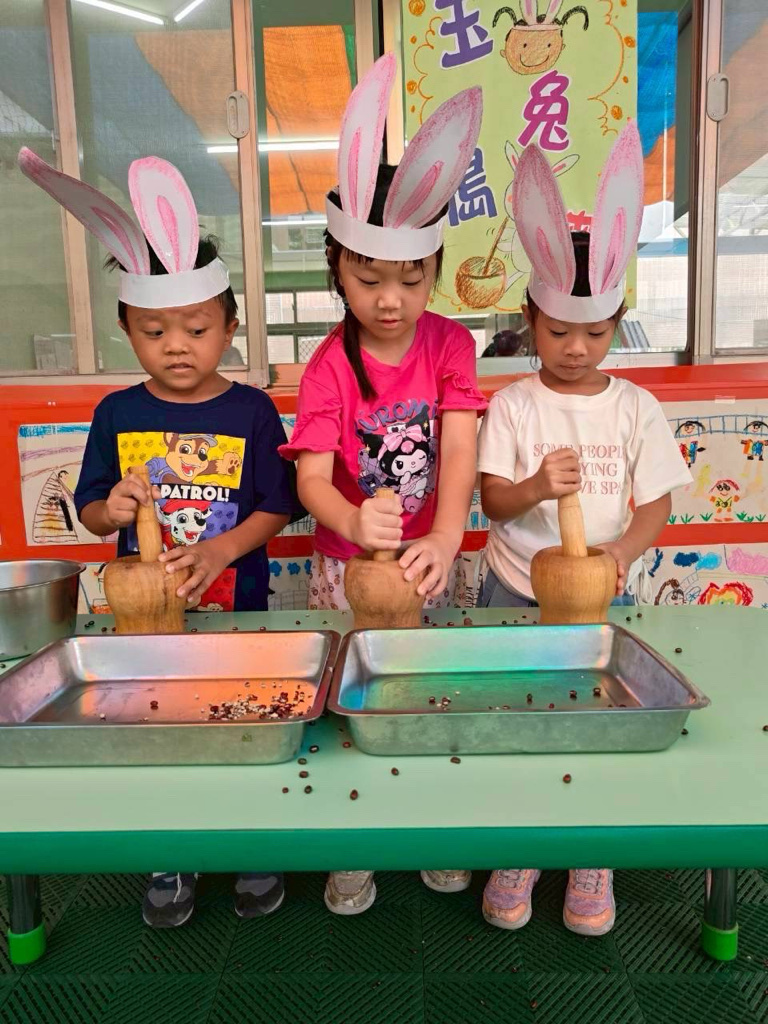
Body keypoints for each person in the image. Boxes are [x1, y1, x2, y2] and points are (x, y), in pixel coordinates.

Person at [20, 148, 302, 928]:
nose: (177, 345)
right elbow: (89, 511)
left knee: (240, 727)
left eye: (197, 328)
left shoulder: (251, 411)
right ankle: (171, 855)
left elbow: (280, 504)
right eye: (154, 330)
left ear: (229, 327)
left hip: (239, 613)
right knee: (156, 729)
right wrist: (112, 509)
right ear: (126, 329)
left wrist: (219, 550)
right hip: (145, 625)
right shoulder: (116, 414)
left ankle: (253, 847)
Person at [279, 54, 486, 915]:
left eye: (411, 279)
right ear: (337, 267)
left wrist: (444, 534)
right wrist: (353, 522)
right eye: (369, 280)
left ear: (434, 270)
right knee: (353, 701)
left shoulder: (451, 346)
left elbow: (460, 444)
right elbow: (311, 481)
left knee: (430, 698)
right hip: (345, 567)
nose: (391, 300)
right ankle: (354, 844)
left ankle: (435, 829)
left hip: (432, 560)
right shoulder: (328, 365)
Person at [476, 123, 692, 935]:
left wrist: (619, 553)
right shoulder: (512, 405)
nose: (575, 348)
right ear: (530, 319)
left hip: (605, 595)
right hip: (514, 591)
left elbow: (656, 503)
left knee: (597, 723)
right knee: (519, 722)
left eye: (595, 334)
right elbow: (494, 502)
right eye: (559, 331)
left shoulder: (636, 406)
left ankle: (590, 854)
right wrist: (536, 485)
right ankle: (520, 845)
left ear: (618, 323)